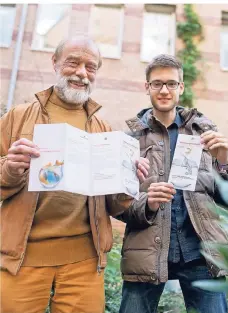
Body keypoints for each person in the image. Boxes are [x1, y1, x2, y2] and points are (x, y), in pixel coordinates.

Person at [0, 35, 150, 313]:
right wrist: (9, 169)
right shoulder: (18, 117)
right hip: (22, 259)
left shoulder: (104, 129)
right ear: (55, 62)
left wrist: (128, 182)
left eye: (91, 67)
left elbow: (114, 205)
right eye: (73, 63)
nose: (82, 73)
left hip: (85, 262)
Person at [118, 54, 228, 313]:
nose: (164, 90)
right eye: (157, 83)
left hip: (201, 253)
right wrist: (147, 204)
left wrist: (225, 162)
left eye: (171, 83)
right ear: (147, 87)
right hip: (145, 253)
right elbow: (118, 204)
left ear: (181, 87)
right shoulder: (130, 139)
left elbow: (227, 199)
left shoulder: (205, 133)